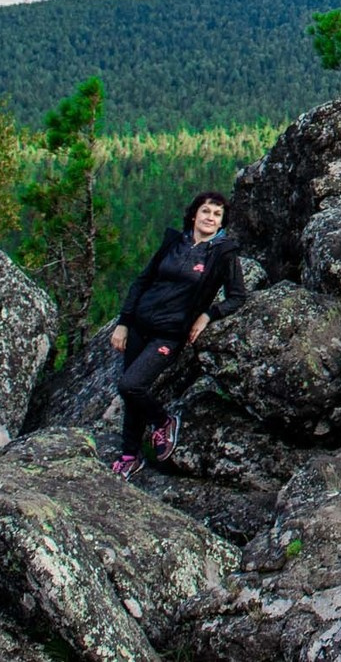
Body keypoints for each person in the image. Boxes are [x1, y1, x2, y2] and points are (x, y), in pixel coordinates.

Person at [109, 190, 249, 476]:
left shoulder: (223, 254)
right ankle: (129, 455)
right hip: (139, 325)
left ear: (222, 222)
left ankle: (163, 422)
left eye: (217, 214)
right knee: (132, 394)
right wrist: (124, 322)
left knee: (130, 385)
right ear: (194, 214)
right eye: (206, 211)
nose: (210, 217)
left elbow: (237, 296)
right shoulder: (175, 242)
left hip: (169, 334)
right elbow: (143, 280)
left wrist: (208, 315)